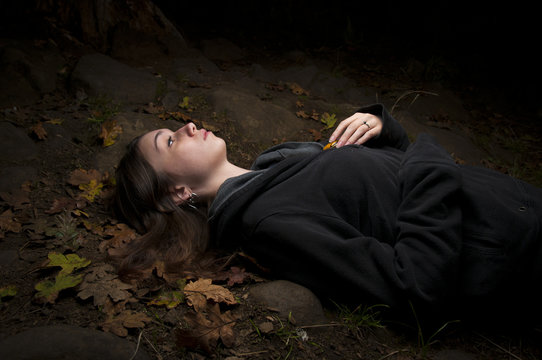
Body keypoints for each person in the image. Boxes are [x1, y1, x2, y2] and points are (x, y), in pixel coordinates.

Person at [112, 103, 542, 325]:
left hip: (511, 207)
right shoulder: (267, 221)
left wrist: (382, 130)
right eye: (169, 142)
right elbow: (416, 286)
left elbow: (386, 196)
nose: (187, 126)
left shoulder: (275, 167)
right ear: (178, 194)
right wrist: (429, 162)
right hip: (518, 246)